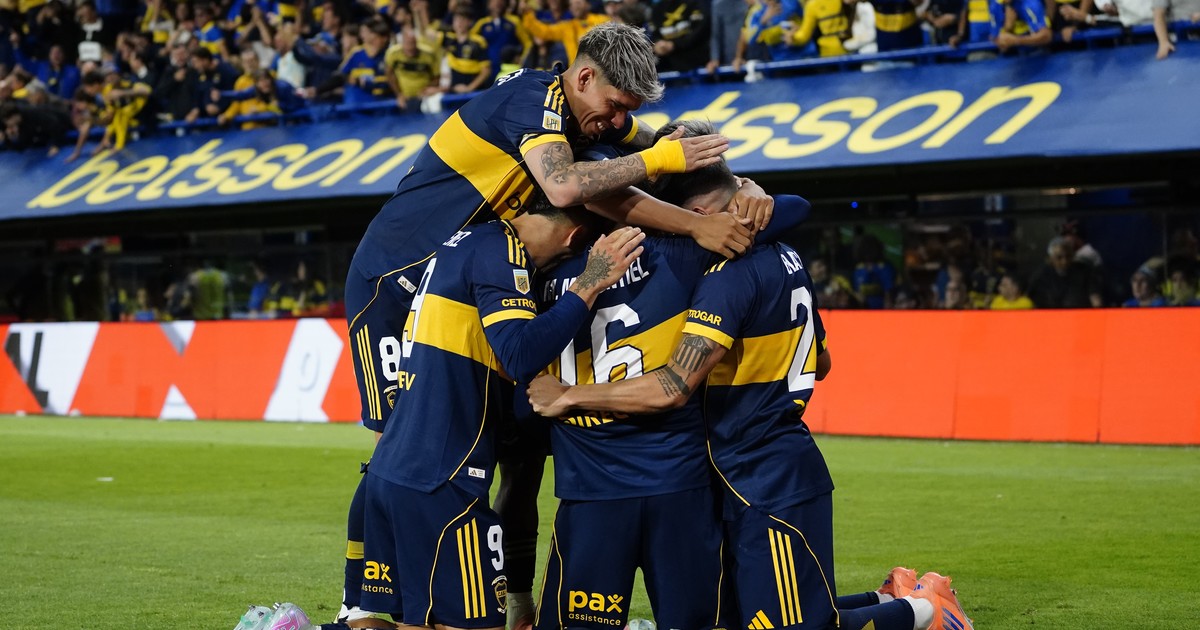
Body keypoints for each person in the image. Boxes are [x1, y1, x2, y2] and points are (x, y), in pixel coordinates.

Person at [339, 21, 748, 628]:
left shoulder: (589, 118)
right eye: (614, 106)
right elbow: (565, 187)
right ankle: (365, 602)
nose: (618, 122)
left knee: (511, 453)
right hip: (397, 284)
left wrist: (737, 186)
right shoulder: (532, 102)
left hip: (479, 285)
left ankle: (508, 598)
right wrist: (665, 163)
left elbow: (651, 159)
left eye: (627, 113)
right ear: (583, 77)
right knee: (399, 448)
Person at [529, 229, 975, 630]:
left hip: (762, 470)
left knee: (791, 624)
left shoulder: (725, 276)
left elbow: (674, 387)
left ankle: (926, 611)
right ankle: (890, 598)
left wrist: (568, 395)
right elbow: (821, 363)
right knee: (760, 612)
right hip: (753, 464)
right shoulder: (780, 258)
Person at [530, 122, 810, 630]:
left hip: (590, 487)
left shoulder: (534, 275)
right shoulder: (687, 254)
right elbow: (793, 209)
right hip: (679, 480)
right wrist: (750, 192)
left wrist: (561, 397)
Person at [360, 197, 647, 629]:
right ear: (574, 238)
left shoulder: (466, 240)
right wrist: (588, 283)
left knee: (414, 623)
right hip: (442, 479)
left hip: (396, 470)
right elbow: (519, 352)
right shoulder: (502, 250)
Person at [1026, 237, 1102, 308]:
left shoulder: (1085, 271)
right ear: (1050, 259)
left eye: (1068, 256)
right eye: (1059, 257)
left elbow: (1095, 298)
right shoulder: (1040, 275)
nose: (1064, 261)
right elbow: (1028, 299)